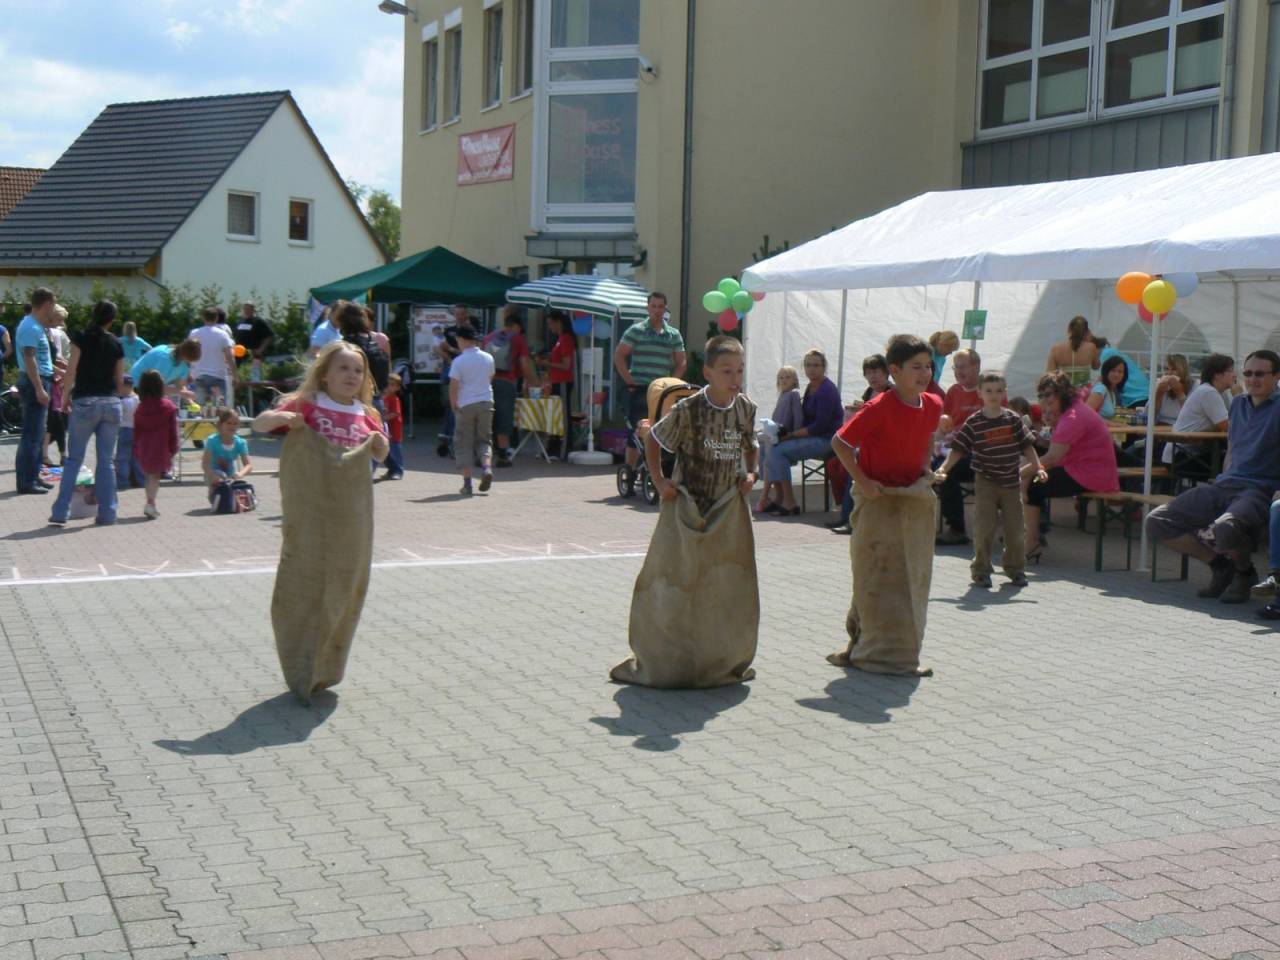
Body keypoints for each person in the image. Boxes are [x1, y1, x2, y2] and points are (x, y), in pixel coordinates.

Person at [610, 335, 759, 688]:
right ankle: (671, 657)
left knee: (723, 585)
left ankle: (718, 659)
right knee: (679, 582)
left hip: (726, 510)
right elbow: (653, 440)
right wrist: (660, 482)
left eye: (739, 371)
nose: (735, 379)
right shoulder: (689, 409)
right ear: (708, 372)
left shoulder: (745, 408)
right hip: (688, 507)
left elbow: (750, 446)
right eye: (726, 371)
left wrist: (752, 473)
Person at [252, 341, 388, 704]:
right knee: (304, 584)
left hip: (348, 519)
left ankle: (326, 666)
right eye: (343, 368)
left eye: (357, 370)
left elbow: (383, 449)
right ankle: (301, 666)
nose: (351, 376)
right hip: (311, 515)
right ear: (324, 374)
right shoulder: (310, 404)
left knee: (345, 586)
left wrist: (377, 444)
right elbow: (260, 425)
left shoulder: (365, 414)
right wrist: (283, 417)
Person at [827, 334, 942, 677]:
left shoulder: (933, 403)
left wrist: (925, 467)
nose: (924, 373)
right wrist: (863, 483)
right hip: (877, 501)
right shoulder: (879, 406)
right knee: (872, 576)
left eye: (928, 366)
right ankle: (859, 646)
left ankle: (902, 654)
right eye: (915, 367)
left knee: (910, 578)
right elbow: (840, 443)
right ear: (895, 370)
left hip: (912, 501)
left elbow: (928, 437)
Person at [1146, 349, 1280, 604]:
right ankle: (1221, 566)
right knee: (1157, 521)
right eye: (1248, 373)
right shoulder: (1239, 403)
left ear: (1277, 377)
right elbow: (1232, 446)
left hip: (1259, 489)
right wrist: (1224, 474)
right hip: (1226, 483)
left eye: (1260, 374)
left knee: (1224, 529)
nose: (1252, 379)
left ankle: (1243, 572)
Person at [935, 371, 1046, 588]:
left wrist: (1038, 467)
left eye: (998, 390)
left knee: (1015, 529)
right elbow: (958, 449)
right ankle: (981, 570)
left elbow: (1027, 446)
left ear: (1005, 393)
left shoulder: (1012, 419)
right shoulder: (975, 421)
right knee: (984, 528)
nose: (993, 395)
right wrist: (944, 468)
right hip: (985, 480)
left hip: (1011, 481)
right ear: (980, 393)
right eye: (989, 391)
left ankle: (1015, 569)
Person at [1023, 371, 1120, 563]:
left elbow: (1052, 457)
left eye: (1049, 394)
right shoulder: (1072, 410)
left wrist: (1020, 474)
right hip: (1085, 470)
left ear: (1062, 393)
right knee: (1034, 482)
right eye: (1041, 395)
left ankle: (1032, 541)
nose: (1044, 399)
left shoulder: (1073, 416)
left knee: (1033, 485)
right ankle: (1034, 536)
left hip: (1091, 475)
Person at [47, 300, 126, 527]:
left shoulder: (80, 338)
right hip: (111, 402)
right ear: (112, 320)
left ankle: (61, 511)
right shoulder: (116, 344)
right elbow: (120, 382)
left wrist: (65, 398)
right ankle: (108, 512)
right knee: (106, 461)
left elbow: (71, 371)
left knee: (74, 459)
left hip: (85, 402)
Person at [614, 292, 687, 485]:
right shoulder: (636, 330)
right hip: (639, 387)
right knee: (639, 428)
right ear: (648, 308)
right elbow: (619, 356)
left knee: (662, 428)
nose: (657, 310)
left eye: (660, 307)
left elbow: (681, 362)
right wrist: (629, 381)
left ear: (665, 309)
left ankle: (660, 468)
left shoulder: (673, 334)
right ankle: (629, 469)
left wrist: (673, 384)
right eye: (653, 306)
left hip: (662, 390)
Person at [760, 348, 841, 515]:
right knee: (767, 446)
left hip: (827, 440)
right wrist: (779, 431)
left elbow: (819, 426)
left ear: (824, 367)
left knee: (777, 451)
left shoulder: (827, 390)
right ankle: (779, 498)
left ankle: (789, 503)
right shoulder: (810, 387)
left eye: (816, 365)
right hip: (812, 437)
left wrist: (789, 436)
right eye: (808, 365)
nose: (812, 369)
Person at [936, 348, 983, 544]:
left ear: (977, 367)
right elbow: (944, 425)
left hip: (980, 453)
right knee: (928, 468)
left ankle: (956, 529)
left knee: (946, 472)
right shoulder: (953, 392)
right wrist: (939, 439)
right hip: (955, 449)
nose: (959, 372)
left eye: (964, 367)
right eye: (956, 367)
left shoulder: (988, 389)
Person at [14, 288, 58, 495]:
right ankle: (26, 481)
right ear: (46, 304)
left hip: (40, 380)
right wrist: (40, 388)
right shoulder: (31, 327)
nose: (54, 309)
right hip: (34, 383)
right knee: (32, 435)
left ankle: (33, 476)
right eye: (53, 304)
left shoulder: (35, 325)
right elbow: (30, 358)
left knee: (37, 433)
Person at [1162, 353, 1234, 470]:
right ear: (1218, 375)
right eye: (1231, 371)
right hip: (1180, 457)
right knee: (1238, 465)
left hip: (1181, 454)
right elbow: (1229, 426)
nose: (1234, 375)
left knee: (1235, 461)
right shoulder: (1209, 392)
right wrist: (1238, 396)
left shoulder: (1212, 391)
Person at [448, 323, 496, 495]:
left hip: (466, 404)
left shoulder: (458, 361)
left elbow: (454, 386)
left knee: (463, 443)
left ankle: (467, 483)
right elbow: (490, 378)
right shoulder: (488, 358)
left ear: (462, 339)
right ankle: (486, 468)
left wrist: (454, 404)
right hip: (486, 402)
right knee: (484, 440)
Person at [484, 309, 535, 466]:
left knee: (488, 419)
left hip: (487, 382)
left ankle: (484, 454)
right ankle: (503, 456)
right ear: (517, 327)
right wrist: (534, 381)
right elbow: (525, 363)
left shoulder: (489, 337)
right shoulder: (518, 339)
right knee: (504, 419)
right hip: (507, 382)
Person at [132, 369, 180, 519]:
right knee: (155, 477)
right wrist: (174, 447)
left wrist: (136, 448)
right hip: (161, 446)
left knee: (149, 475)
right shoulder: (168, 407)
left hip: (144, 446)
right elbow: (173, 430)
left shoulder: (139, 409)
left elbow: (136, 431)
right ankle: (150, 503)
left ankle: (150, 502)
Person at [756, 364, 803, 514]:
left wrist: (794, 433)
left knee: (771, 454)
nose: (784, 380)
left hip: (787, 434)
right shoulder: (783, 394)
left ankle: (768, 497)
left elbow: (797, 416)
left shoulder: (794, 394)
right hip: (777, 434)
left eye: (787, 377)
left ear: (795, 380)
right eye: (781, 377)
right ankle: (777, 494)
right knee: (761, 448)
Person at [202, 408, 253, 511]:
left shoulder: (241, 442)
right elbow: (205, 464)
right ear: (221, 425)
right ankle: (213, 497)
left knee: (232, 487)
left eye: (235, 423)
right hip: (213, 474)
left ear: (239, 425)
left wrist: (240, 473)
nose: (232, 426)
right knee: (221, 476)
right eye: (228, 423)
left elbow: (249, 465)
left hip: (231, 475)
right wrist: (213, 475)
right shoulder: (212, 440)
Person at [543, 310, 576, 460]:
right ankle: (554, 448)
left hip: (563, 381)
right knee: (555, 415)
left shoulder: (566, 339)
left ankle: (565, 450)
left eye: (550, 324)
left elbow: (566, 365)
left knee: (563, 416)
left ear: (558, 322)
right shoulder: (560, 338)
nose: (549, 327)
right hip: (556, 381)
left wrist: (546, 363)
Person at [189, 307, 238, 404]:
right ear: (216, 318)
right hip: (218, 377)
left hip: (199, 376)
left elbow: (188, 353)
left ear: (203, 318)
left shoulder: (194, 333)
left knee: (200, 411)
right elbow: (229, 356)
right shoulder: (223, 334)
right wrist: (235, 375)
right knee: (220, 410)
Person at [132, 339, 201, 397]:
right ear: (184, 355)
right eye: (189, 360)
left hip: (153, 387)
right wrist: (181, 393)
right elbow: (156, 386)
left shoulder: (184, 364)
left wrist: (190, 400)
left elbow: (180, 385)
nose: (191, 363)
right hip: (138, 383)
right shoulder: (165, 359)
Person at [1095, 339, 1152, 408]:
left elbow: (1102, 378)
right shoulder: (1111, 351)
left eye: (1119, 372)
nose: (1116, 374)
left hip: (1137, 397)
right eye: (1113, 371)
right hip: (1141, 394)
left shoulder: (1106, 353)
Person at [1045, 315, 1101, 384]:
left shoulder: (1056, 349)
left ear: (1069, 329)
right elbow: (1096, 366)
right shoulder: (1091, 347)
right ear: (1086, 332)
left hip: (1064, 392)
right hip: (1084, 393)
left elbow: (1049, 374)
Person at [378, 372, 405, 481]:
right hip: (385, 429)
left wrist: (384, 418)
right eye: (388, 384)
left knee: (395, 450)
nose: (390, 387)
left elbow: (396, 413)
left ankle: (398, 470)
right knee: (386, 451)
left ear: (398, 388)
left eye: (393, 385)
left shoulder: (394, 399)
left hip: (394, 430)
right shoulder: (382, 397)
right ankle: (391, 470)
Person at [115, 376, 141, 490]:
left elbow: (118, 418)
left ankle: (122, 482)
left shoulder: (123, 402)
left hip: (125, 429)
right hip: (138, 430)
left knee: (123, 458)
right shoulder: (139, 399)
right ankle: (141, 480)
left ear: (126, 387)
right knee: (137, 457)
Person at [1153, 354, 1192, 424]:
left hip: (1182, 427)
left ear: (1183, 371)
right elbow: (1149, 417)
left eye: (1174, 369)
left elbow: (1191, 417)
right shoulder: (1160, 384)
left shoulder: (1195, 386)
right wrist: (1158, 394)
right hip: (1161, 425)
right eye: (1167, 369)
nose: (1169, 373)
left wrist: (1180, 393)